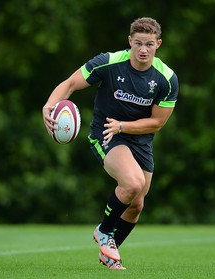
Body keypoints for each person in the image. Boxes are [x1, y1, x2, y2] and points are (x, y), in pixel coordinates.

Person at [42, 17, 178, 270]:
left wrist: (124, 126)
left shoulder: (166, 79)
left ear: (158, 44)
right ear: (130, 41)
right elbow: (71, 83)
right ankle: (104, 231)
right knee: (132, 183)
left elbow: (157, 123)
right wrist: (49, 105)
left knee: (137, 204)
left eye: (149, 44)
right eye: (138, 43)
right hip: (106, 134)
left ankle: (108, 254)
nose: (143, 49)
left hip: (139, 140)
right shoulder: (108, 63)